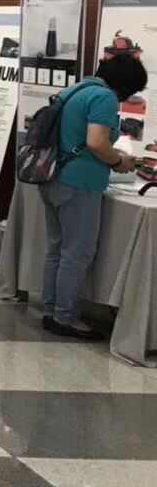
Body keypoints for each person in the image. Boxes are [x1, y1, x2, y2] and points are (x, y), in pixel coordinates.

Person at [40, 53, 147, 339]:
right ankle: (65, 317)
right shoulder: (104, 98)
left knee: (56, 249)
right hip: (80, 182)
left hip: (52, 176)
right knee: (77, 253)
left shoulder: (75, 89)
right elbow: (96, 142)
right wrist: (118, 161)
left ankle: (51, 310)